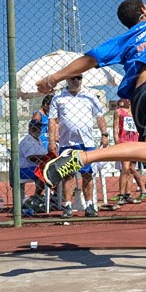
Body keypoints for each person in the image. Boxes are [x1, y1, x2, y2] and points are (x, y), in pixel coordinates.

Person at [36, 0, 146, 258]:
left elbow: (89, 58)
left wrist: (53, 78)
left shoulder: (125, 39)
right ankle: (82, 157)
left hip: (138, 98)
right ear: (145, 10)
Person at [48, 75, 109, 218]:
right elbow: (52, 120)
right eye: (73, 78)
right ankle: (68, 205)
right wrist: (51, 141)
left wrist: (104, 134)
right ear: (67, 80)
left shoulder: (89, 96)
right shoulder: (58, 97)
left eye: (79, 78)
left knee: (87, 174)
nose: (76, 81)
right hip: (67, 143)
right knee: (68, 175)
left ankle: (89, 205)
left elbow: (99, 116)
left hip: (87, 142)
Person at [112, 98, 146, 206]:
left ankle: (128, 193)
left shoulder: (136, 112)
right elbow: (116, 127)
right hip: (124, 142)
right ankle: (121, 194)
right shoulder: (119, 111)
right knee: (125, 167)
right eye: (127, 98)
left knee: (132, 168)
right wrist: (116, 140)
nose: (129, 100)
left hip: (135, 142)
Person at [17, 120, 47, 204]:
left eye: (39, 127)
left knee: (51, 171)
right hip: (24, 169)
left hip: (34, 167)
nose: (37, 129)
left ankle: (53, 195)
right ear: (30, 128)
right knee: (43, 171)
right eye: (34, 128)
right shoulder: (27, 141)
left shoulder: (38, 140)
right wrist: (46, 158)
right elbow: (31, 157)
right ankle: (36, 196)